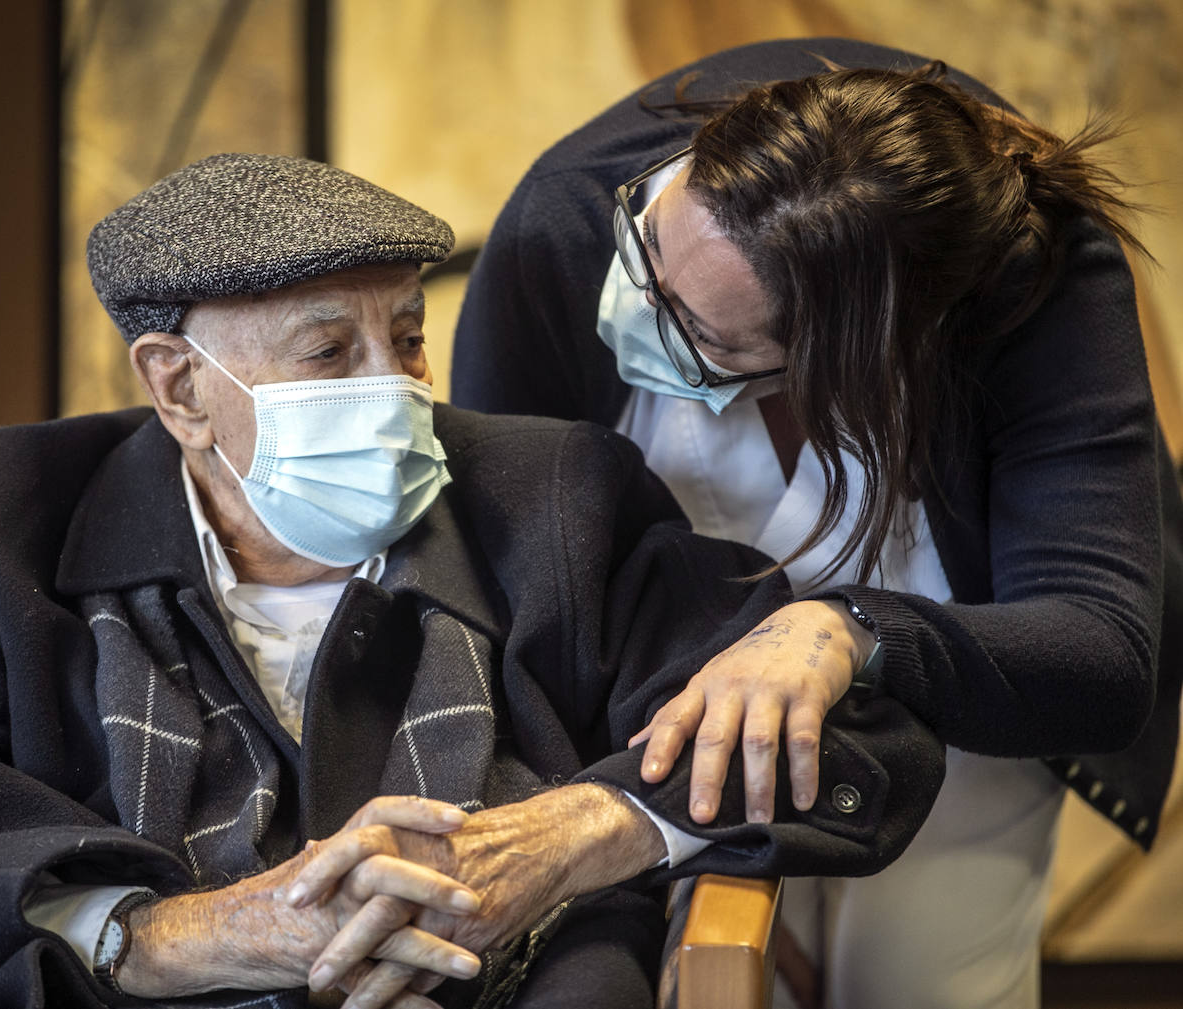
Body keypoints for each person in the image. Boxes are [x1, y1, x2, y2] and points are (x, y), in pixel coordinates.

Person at [0, 153, 943, 1009]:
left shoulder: (553, 496)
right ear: (178, 388)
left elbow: (858, 737)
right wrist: (179, 933)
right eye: (325, 353)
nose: (392, 386)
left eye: (405, 337)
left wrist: (568, 836)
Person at [452, 37, 1183, 1009]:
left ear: (856, 363)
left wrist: (846, 627)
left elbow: (1099, 654)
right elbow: (524, 594)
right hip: (655, 713)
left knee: (923, 984)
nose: (633, 306)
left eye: (701, 334)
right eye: (652, 244)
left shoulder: (1033, 286)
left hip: (963, 705)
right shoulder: (571, 224)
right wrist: (674, 844)